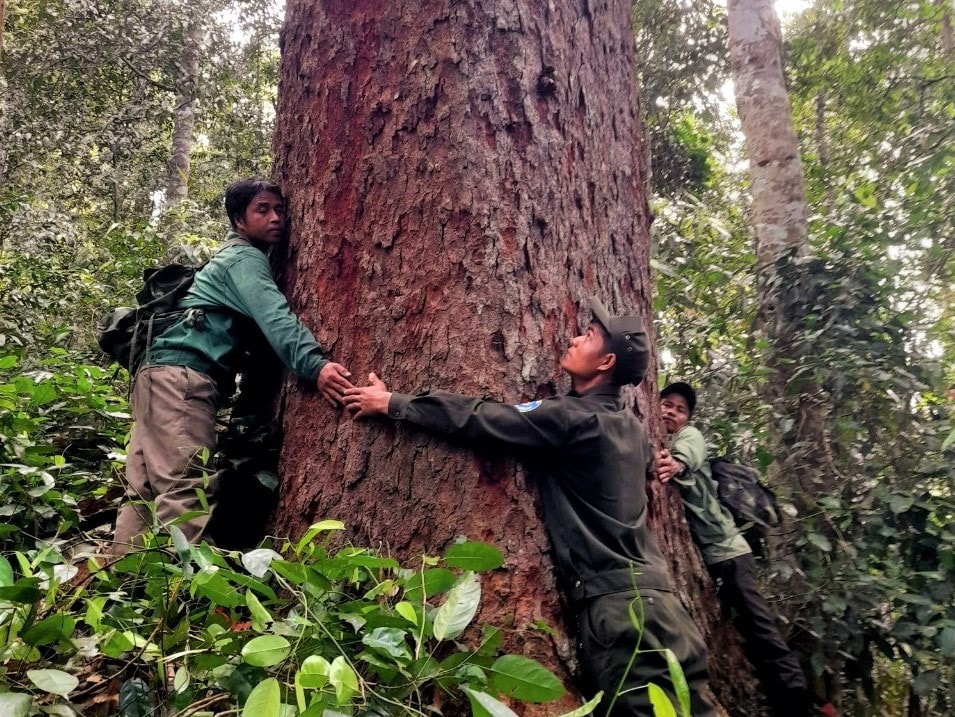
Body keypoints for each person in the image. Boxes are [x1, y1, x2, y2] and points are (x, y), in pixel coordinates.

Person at [343, 298, 717, 717]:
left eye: (588, 336)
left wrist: (394, 402)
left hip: (623, 615)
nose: (575, 338)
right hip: (664, 606)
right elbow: (647, 462)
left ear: (606, 361)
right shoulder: (631, 428)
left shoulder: (571, 420)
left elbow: (483, 418)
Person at [112, 178, 353, 554]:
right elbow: (276, 318)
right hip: (182, 379)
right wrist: (315, 365)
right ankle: (192, 595)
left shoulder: (227, 259)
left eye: (280, 209)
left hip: (154, 376)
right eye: (263, 210)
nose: (276, 218)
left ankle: (125, 586)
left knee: (143, 490)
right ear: (239, 220)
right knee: (185, 486)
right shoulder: (243, 259)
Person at [656, 381, 813, 717]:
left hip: (729, 554)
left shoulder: (688, 438)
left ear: (687, 419)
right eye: (665, 403)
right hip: (715, 558)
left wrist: (677, 464)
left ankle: (799, 704)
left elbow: (689, 455)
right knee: (741, 633)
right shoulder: (660, 439)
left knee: (761, 630)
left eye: (680, 409)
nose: (670, 411)